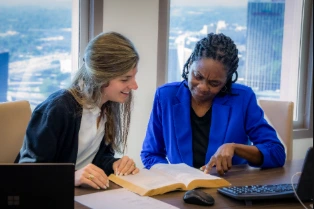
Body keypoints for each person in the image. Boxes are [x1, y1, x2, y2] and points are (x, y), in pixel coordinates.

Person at [140, 33, 286, 176]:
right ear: (190, 65)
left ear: (227, 81)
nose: (203, 87)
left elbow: (276, 152)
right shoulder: (166, 96)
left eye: (214, 83)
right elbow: (150, 154)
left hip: (230, 188)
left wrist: (235, 148)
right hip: (181, 189)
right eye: (197, 76)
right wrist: (174, 176)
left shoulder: (242, 98)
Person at [17, 31, 140, 190]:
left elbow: (97, 158)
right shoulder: (57, 109)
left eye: (134, 76)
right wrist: (71, 177)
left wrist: (114, 164)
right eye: (125, 79)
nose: (134, 86)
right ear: (100, 77)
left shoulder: (108, 105)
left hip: (82, 194)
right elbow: (26, 174)